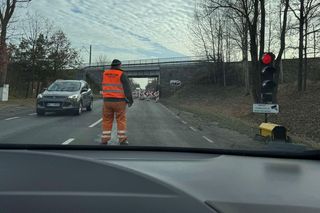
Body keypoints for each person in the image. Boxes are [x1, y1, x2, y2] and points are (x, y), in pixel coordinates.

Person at [101, 59, 133, 145]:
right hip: (119, 101)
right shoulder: (121, 74)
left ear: (112, 65)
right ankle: (122, 140)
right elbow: (127, 88)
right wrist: (130, 100)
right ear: (119, 65)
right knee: (121, 120)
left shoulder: (105, 73)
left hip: (107, 101)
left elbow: (103, 85)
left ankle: (104, 140)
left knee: (107, 120)